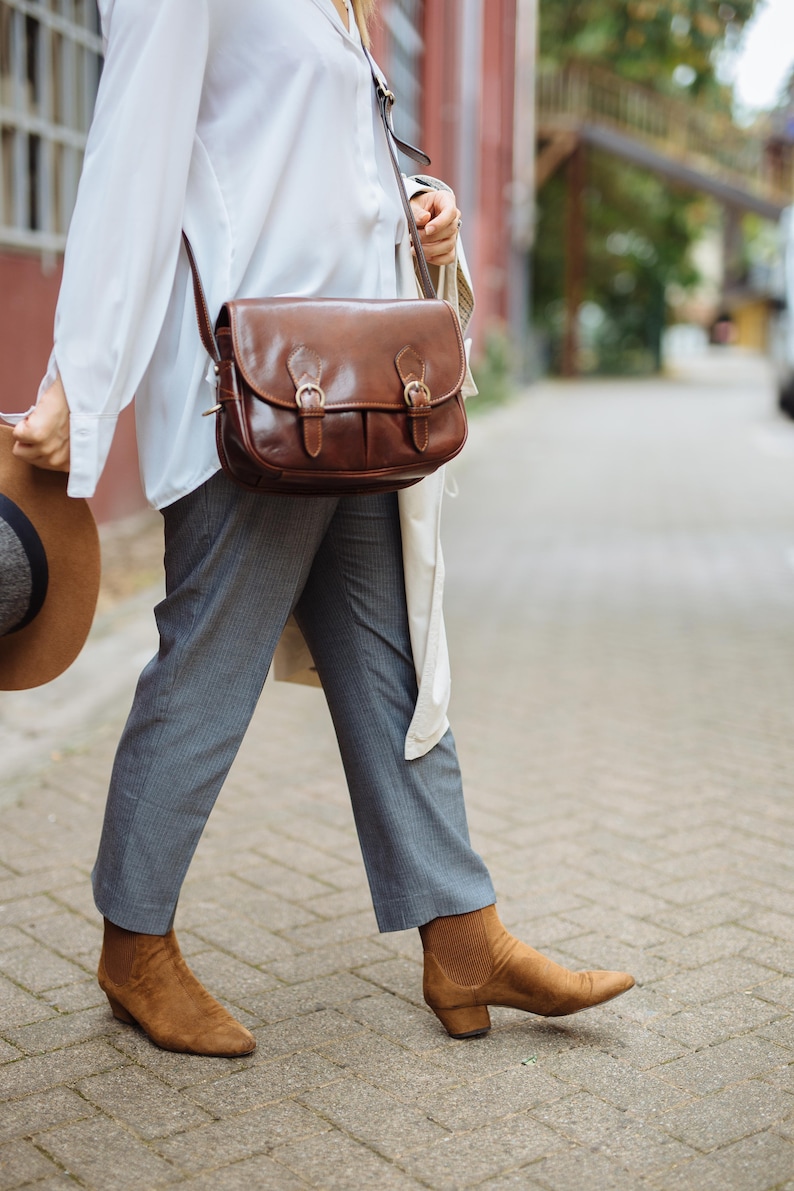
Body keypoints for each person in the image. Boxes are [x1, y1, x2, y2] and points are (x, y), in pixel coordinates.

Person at [12, 0, 634, 1057]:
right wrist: (84, 372)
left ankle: (462, 936)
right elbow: (135, 153)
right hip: (250, 394)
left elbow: (302, 164)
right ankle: (135, 945)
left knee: (393, 665)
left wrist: (418, 204)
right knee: (209, 665)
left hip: (350, 390)